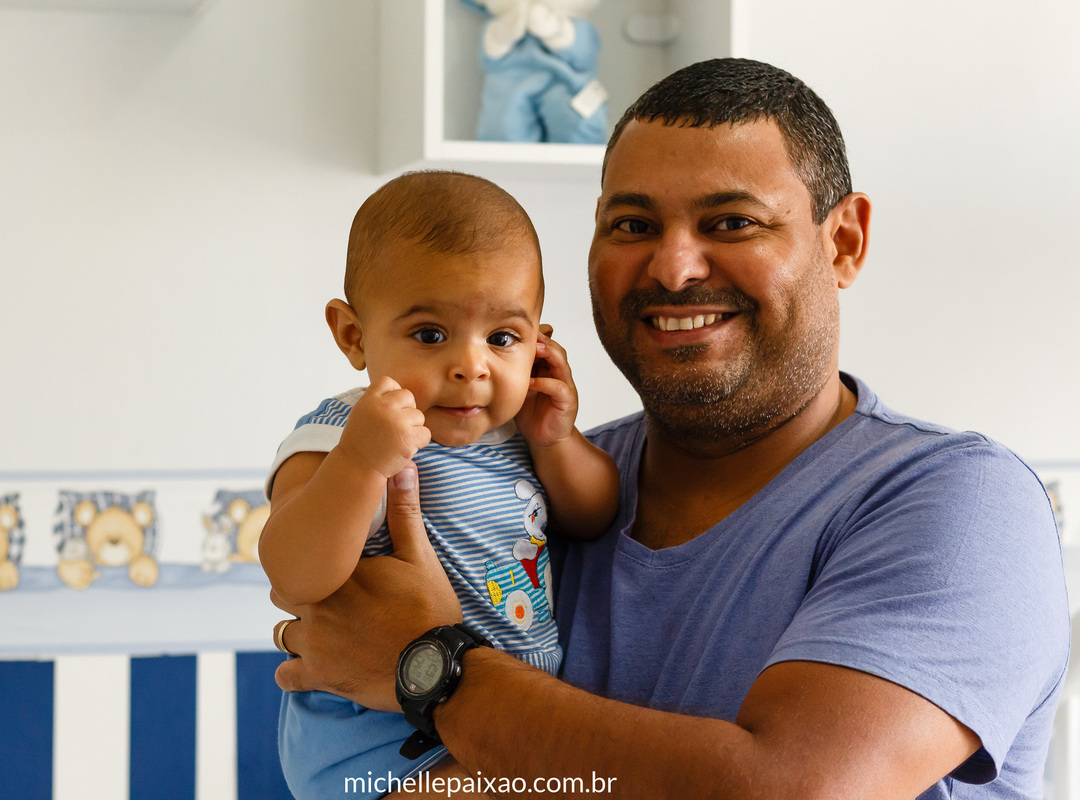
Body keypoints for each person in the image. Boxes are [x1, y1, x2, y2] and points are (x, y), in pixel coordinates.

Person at [270, 59, 1070, 800]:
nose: (674, 267)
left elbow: (792, 791)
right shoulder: (542, 469)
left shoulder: (960, 503)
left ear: (845, 242)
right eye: (632, 225)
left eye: (731, 222)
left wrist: (429, 667)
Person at [258, 170, 620, 798]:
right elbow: (292, 573)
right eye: (430, 335)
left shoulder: (517, 434)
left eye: (503, 338)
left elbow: (594, 515)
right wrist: (360, 465)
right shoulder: (342, 433)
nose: (471, 366)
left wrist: (557, 440)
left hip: (496, 719)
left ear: (539, 341)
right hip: (376, 741)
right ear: (353, 335)